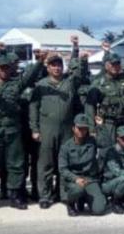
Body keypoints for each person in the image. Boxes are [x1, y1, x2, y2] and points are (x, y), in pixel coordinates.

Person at [0, 50, 44, 211]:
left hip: (13, 130)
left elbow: (28, 78)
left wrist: (40, 62)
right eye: (2, 68)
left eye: (7, 68)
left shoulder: (16, 84)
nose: (5, 71)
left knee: (16, 164)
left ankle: (15, 196)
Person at [29, 38, 88, 208]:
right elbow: (33, 108)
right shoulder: (41, 85)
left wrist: (78, 53)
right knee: (45, 163)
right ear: (47, 68)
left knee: (64, 163)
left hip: (66, 129)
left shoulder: (69, 82)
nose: (56, 68)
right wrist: (34, 129)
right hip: (46, 129)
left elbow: (79, 73)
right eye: (53, 65)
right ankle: (45, 196)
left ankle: (63, 194)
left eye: (59, 65)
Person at [58, 114, 107, 216]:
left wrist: (100, 126)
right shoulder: (66, 147)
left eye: (84, 128)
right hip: (74, 180)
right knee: (77, 189)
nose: (81, 131)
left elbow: (106, 143)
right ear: (73, 128)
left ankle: (83, 198)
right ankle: (71, 204)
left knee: (99, 210)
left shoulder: (92, 141)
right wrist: (75, 178)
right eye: (79, 128)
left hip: (90, 179)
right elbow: (62, 169)